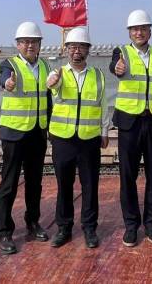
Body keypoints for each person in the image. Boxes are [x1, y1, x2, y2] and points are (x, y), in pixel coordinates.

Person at [109, 9, 152, 247]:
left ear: (149, 31)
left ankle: (151, 224)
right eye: (135, 29)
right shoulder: (122, 52)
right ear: (129, 32)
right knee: (128, 176)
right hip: (130, 124)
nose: (139, 32)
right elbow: (114, 66)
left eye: (143, 28)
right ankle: (131, 226)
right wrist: (116, 68)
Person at [46, 27, 111, 249]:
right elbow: (52, 87)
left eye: (81, 47)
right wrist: (53, 82)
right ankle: (64, 228)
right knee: (64, 185)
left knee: (90, 185)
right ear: (66, 50)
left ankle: (89, 228)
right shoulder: (58, 73)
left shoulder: (97, 76)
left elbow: (103, 105)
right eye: (72, 47)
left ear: (88, 50)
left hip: (89, 139)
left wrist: (104, 131)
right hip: (63, 139)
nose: (77, 51)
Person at [0, 21, 52, 254]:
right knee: (9, 183)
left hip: (38, 132)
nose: (30, 45)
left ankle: (33, 222)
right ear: (18, 44)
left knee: (34, 182)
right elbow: (3, 78)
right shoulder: (9, 64)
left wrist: (50, 126)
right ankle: (4, 231)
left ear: (39, 44)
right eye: (25, 42)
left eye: (34, 42)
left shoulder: (46, 66)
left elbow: (49, 97)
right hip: (14, 133)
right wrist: (7, 83)